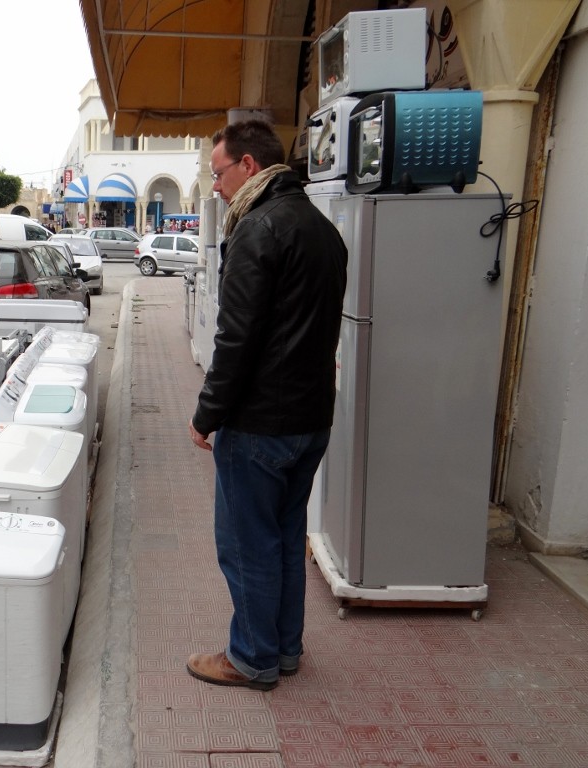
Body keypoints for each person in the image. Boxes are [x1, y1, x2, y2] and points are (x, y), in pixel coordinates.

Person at [187, 119, 347, 691]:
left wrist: (208, 414)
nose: (215, 186)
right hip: (311, 419)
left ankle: (251, 658)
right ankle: (283, 650)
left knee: (247, 543)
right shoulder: (322, 230)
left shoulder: (258, 229)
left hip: (260, 422)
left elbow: (237, 339)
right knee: (282, 538)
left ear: (249, 166)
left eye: (219, 173)